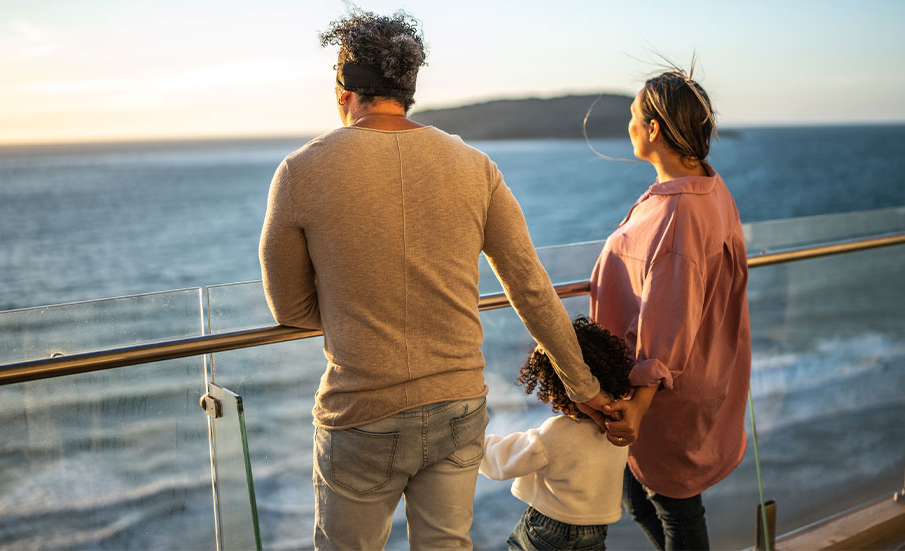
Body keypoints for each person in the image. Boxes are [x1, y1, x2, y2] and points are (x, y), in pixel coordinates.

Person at [258, 10, 610, 550]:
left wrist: (358, 307)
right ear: (408, 88)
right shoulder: (475, 166)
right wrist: (583, 387)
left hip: (361, 411)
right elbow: (531, 288)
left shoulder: (301, 170)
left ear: (344, 89)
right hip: (458, 405)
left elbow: (289, 309)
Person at [588, 64, 751, 550]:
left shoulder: (680, 210)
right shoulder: (708, 186)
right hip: (696, 373)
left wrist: (638, 405)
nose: (630, 125)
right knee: (646, 497)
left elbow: (670, 315)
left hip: (665, 393)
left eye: (634, 116)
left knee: (673, 506)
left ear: (654, 129)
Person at [480, 317, 634, 551]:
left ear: (557, 388)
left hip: (549, 528)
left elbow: (503, 461)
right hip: (595, 533)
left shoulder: (556, 432)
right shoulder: (618, 427)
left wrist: (472, 443)